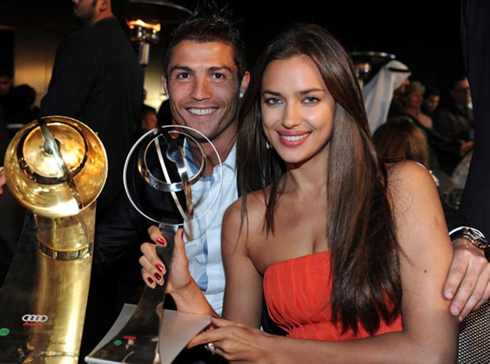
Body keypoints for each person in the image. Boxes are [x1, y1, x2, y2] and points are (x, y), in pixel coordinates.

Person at [139, 0, 489, 333]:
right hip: (193, 334)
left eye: (217, 75)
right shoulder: (146, 168)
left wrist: (464, 239)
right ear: (166, 85)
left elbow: (398, 194)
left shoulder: (283, 161)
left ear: (243, 85)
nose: (200, 92)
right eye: (184, 75)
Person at [22, 0, 145, 358]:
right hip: (115, 194)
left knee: (51, 316)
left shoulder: (85, 42)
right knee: (94, 313)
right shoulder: (126, 48)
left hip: (74, 193)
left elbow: (52, 119)